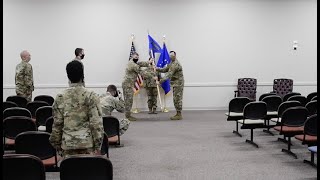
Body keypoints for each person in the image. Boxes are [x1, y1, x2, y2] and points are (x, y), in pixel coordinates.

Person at [49, 60, 104, 157]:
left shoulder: (60, 97)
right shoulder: (91, 95)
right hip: (87, 145)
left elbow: (57, 124)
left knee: (70, 171)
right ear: (82, 75)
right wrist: (98, 146)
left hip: (67, 145)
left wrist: (57, 145)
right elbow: (96, 124)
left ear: (68, 76)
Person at [121, 52, 151, 121]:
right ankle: (128, 116)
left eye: (137, 57)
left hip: (129, 84)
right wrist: (153, 76)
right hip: (127, 84)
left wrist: (148, 62)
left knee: (129, 100)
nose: (136, 58)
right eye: (135, 57)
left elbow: (140, 63)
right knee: (129, 100)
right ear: (132, 57)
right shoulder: (132, 64)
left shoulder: (134, 63)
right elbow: (142, 72)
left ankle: (128, 115)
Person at [156, 51, 184, 120]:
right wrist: (157, 69)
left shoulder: (175, 64)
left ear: (175, 55)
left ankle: (179, 114)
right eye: (170, 55)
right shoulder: (171, 63)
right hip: (175, 83)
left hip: (178, 83)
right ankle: (178, 113)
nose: (171, 56)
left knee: (177, 98)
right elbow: (165, 69)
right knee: (175, 98)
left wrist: (160, 81)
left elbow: (169, 74)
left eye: (172, 55)